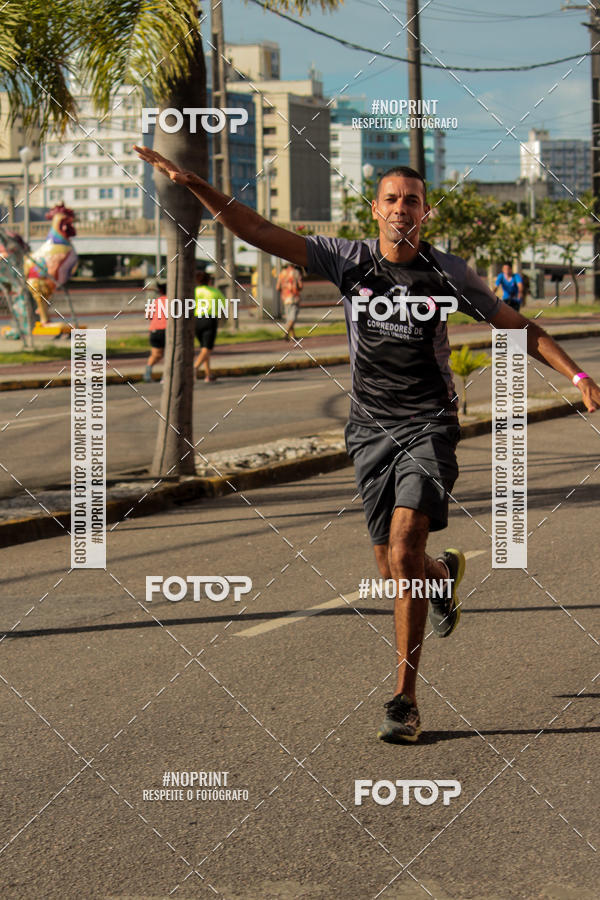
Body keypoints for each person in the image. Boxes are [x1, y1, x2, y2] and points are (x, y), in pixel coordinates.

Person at [134, 145, 600, 744]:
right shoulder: (346, 260)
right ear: (374, 210)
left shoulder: (447, 272)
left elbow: (517, 326)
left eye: (411, 200)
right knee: (392, 565)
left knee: (403, 546)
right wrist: (195, 183)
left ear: (425, 213)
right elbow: (255, 229)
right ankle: (442, 575)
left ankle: (404, 699)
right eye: (391, 199)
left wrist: (578, 376)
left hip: (429, 425)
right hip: (369, 430)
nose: (401, 208)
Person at [194, 269, 226, 382]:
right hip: (209, 319)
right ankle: (195, 368)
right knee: (207, 349)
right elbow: (224, 304)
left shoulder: (194, 291)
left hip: (196, 320)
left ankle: (208, 374)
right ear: (209, 280)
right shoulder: (214, 291)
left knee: (204, 348)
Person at [143, 279, 167, 382]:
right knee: (169, 355)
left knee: (156, 354)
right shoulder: (173, 301)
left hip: (154, 330)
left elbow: (148, 316)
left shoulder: (155, 302)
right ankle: (166, 376)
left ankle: (147, 374)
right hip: (166, 330)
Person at [276, 262, 303, 340]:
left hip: (285, 298)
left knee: (289, 317)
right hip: (294, 297)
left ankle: (293, 336)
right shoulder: (296, 273)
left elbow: (278, 287)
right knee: (293, 317)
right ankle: (286, 332)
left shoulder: (282, 273)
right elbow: (300, 286)